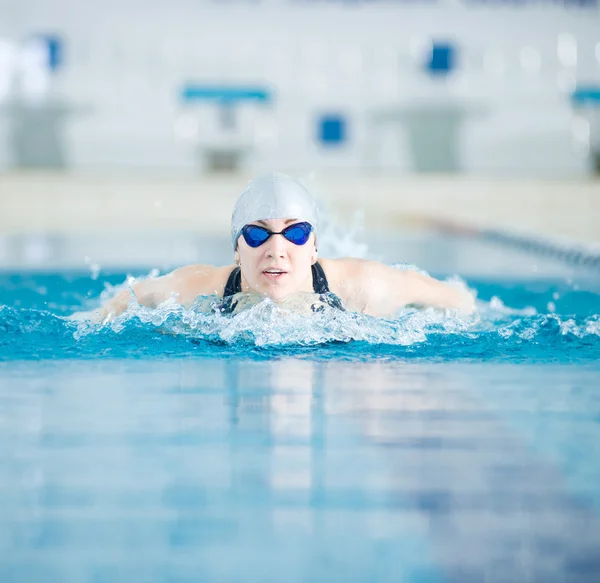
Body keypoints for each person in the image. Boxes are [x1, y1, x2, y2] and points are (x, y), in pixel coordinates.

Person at [97, 172, 475, 322]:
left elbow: (459, 301)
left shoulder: (364, 286)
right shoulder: (200, 287)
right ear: (236, 249)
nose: (277, 250)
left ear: (313, 247)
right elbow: (124, 301)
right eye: (258, 234)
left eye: (294, 234)